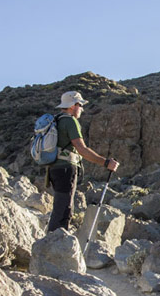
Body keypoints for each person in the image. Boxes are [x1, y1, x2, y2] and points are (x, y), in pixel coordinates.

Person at [46, 91, 119, 232]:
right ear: (73, 105)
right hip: (66, 169)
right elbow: (82, 149)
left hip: (54, 168)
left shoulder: (57, 120)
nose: (82, 109)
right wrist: (105, 162)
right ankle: (55, 242)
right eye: (80, 105)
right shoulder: (70, 121)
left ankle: (54, 239)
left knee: (61, 206)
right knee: (64, 209)